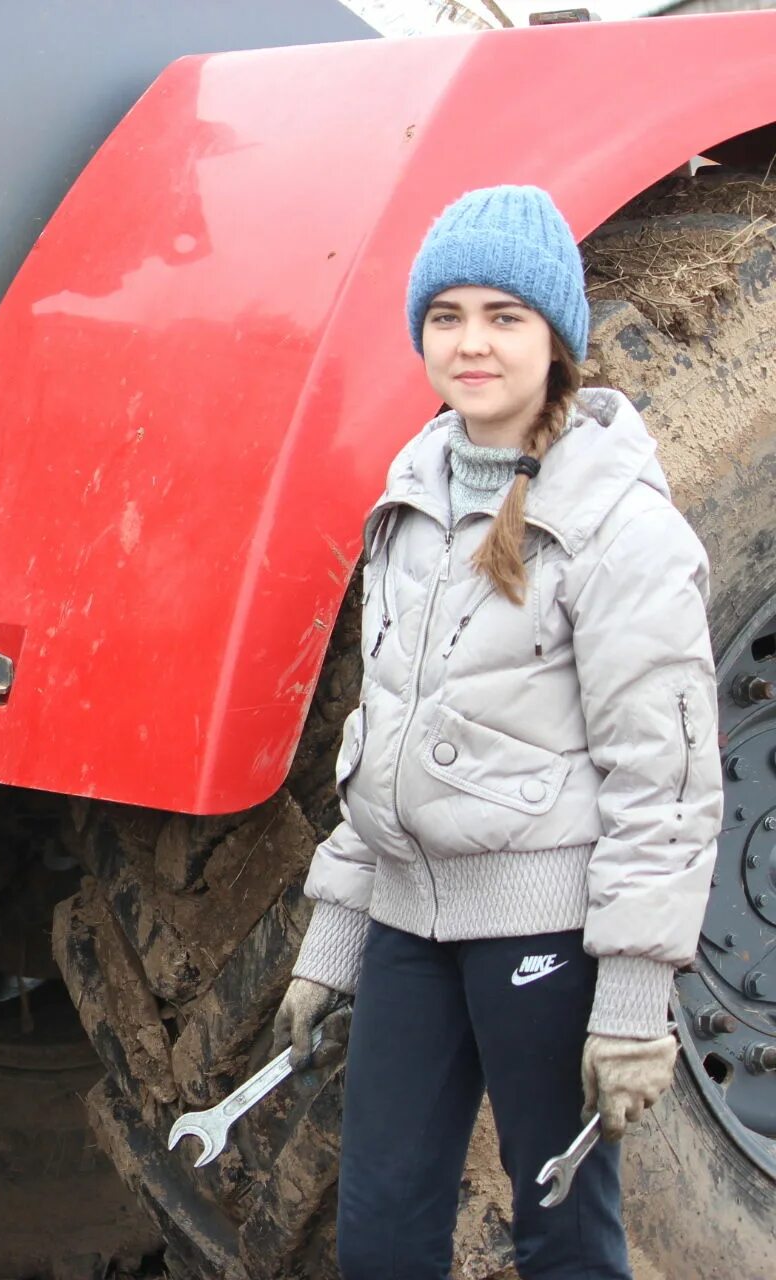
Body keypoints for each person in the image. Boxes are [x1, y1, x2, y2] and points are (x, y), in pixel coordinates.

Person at [272, 185, 723, 1279]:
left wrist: (631, 1001)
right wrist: (333, 941)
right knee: (378, 1238)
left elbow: (663, 780)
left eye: (504, 316)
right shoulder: (412, 491)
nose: (471, 343)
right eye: (447, 316)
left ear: (556, 335)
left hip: (547, 935)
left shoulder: (622, 521)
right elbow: (384, 739)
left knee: (561, 1238)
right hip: (409, 931)